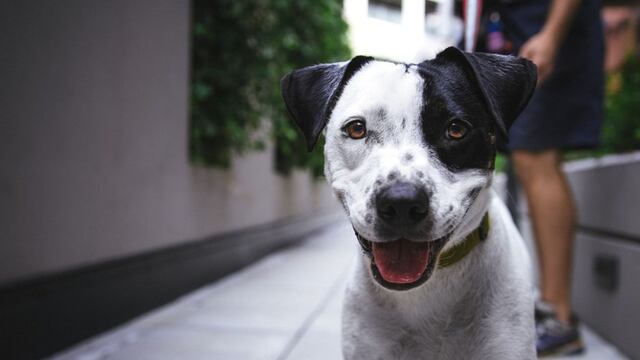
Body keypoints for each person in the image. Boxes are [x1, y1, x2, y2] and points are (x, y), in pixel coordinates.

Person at [494, 0, 604, 357]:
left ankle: (559, 317)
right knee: (526, 157)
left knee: (536, 155)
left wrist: (552, 34)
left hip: (545, 29)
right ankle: (548, 311)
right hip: (521, 29)